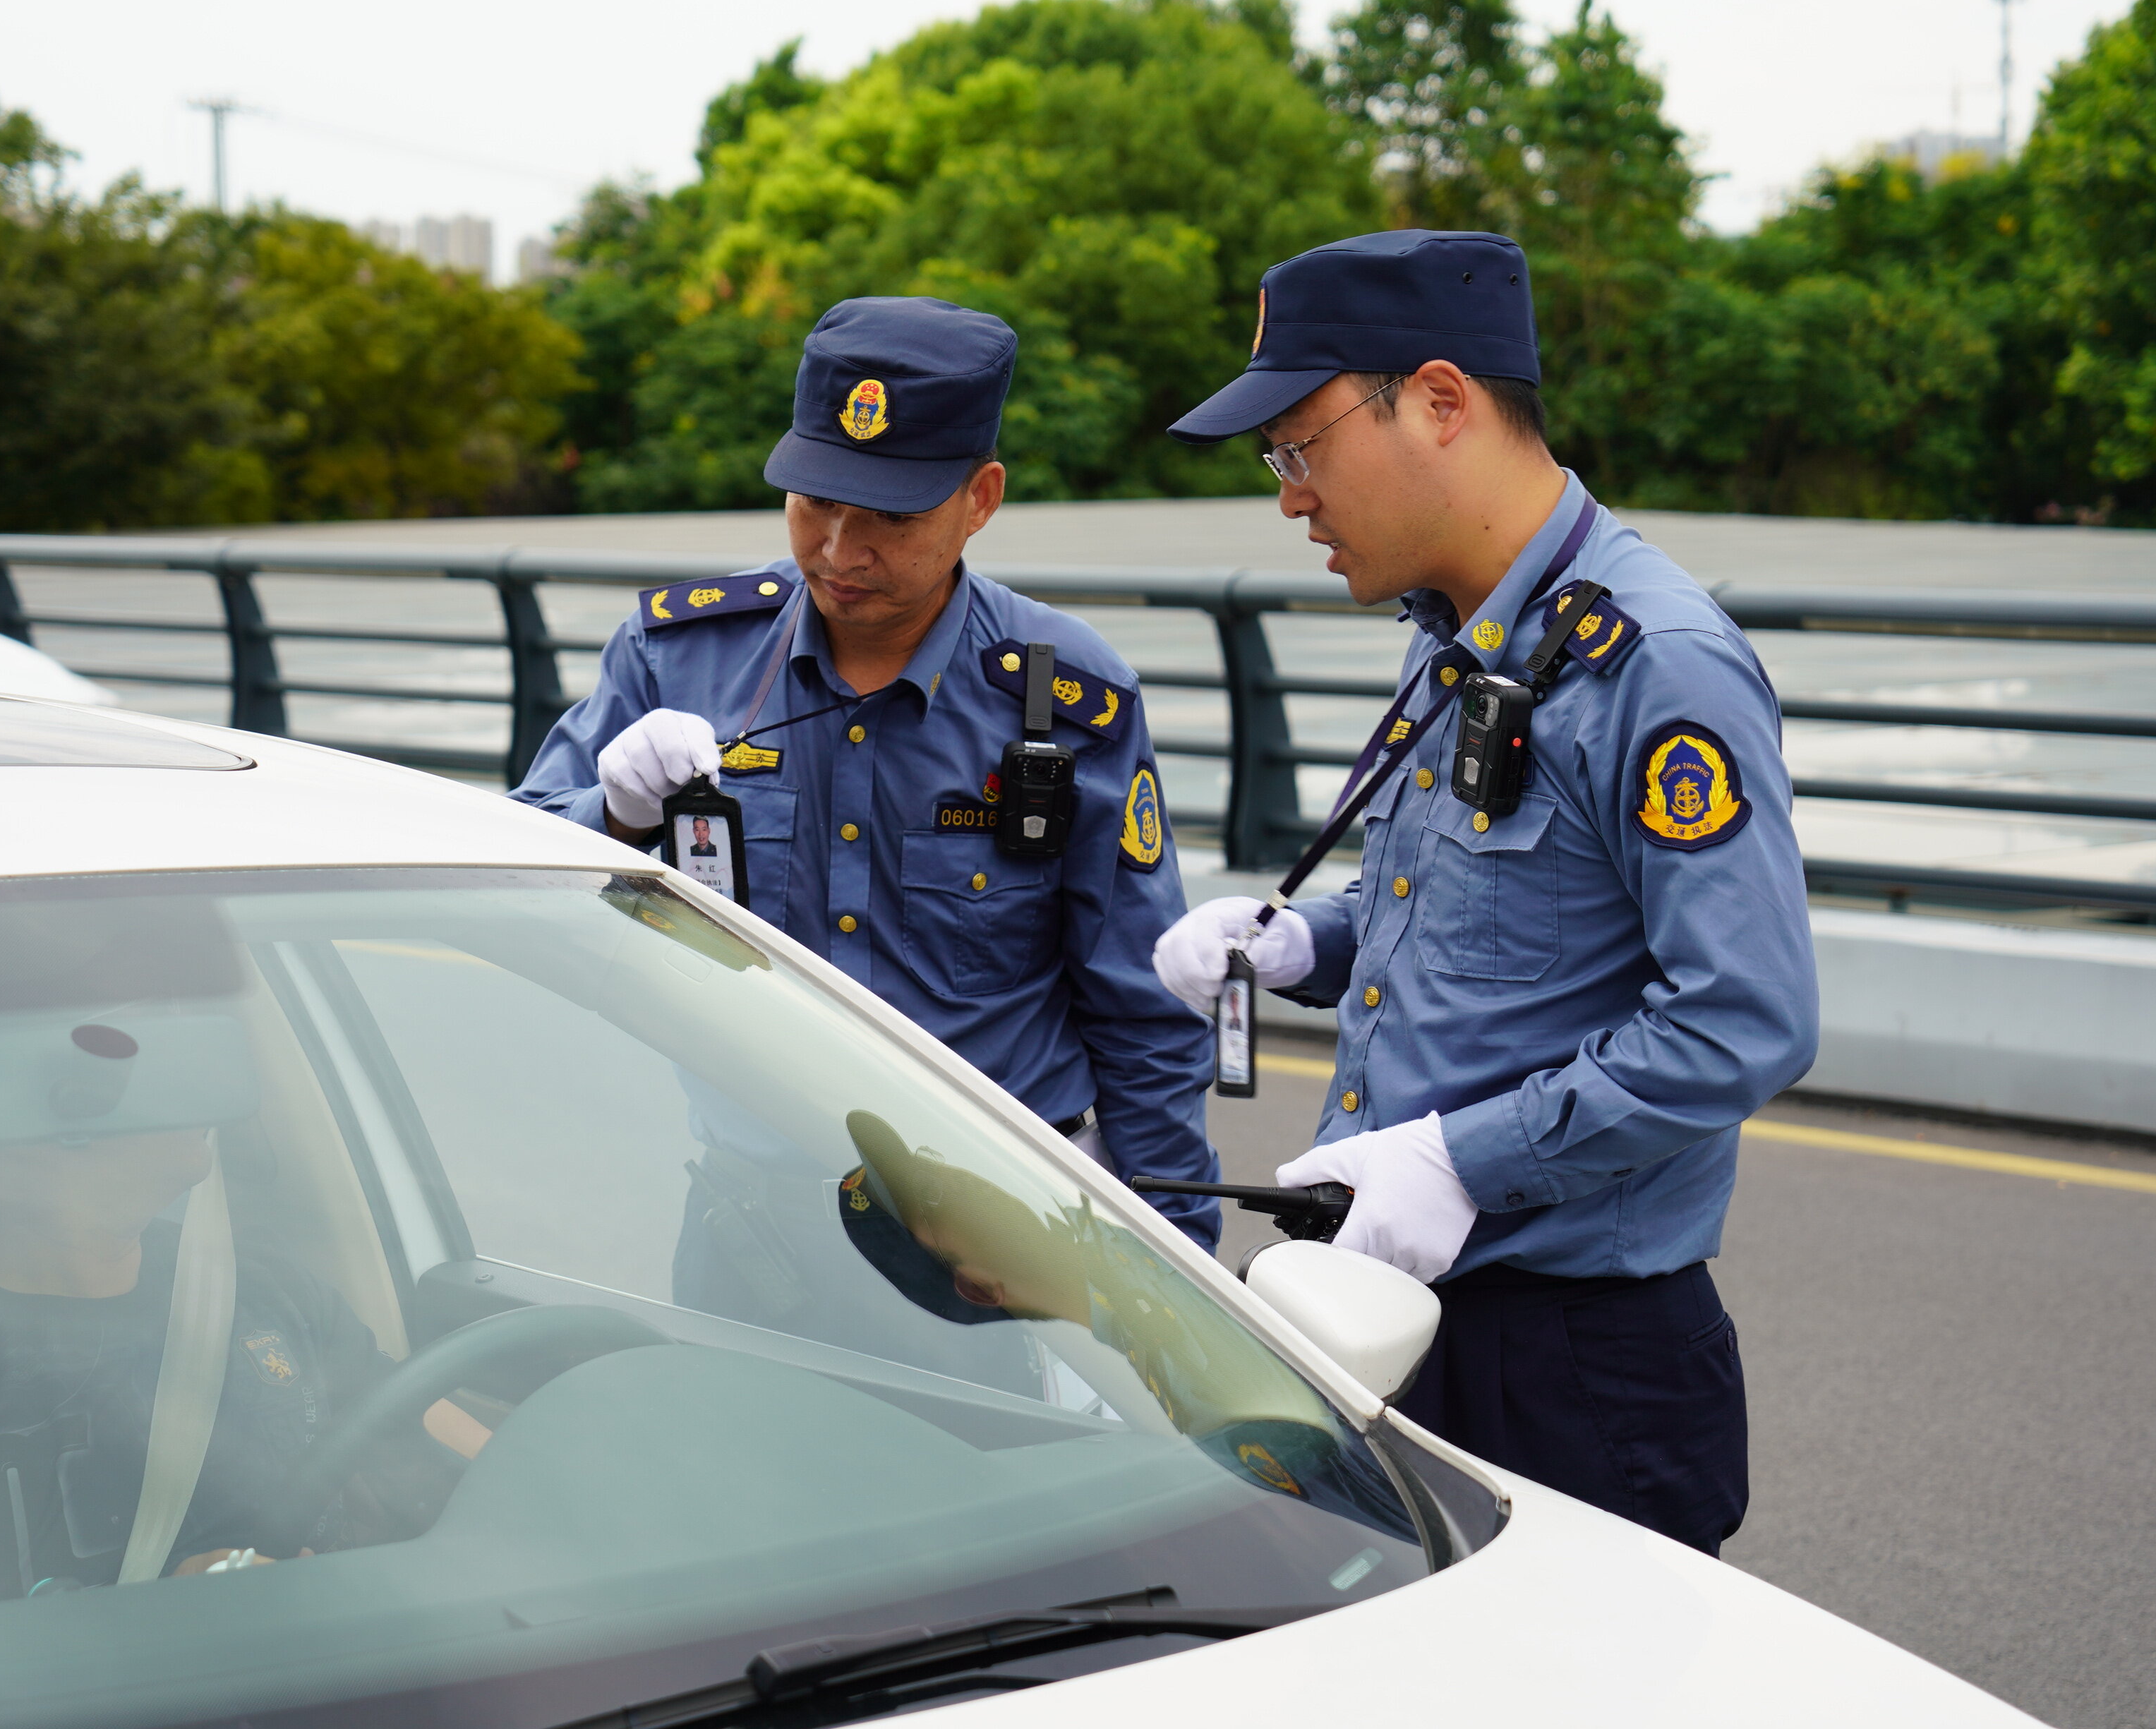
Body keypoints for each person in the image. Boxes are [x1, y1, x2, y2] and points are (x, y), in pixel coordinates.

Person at [1152, 230, 1818, 1555]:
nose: (1287, 496)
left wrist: (1461, 1157)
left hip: (1572, 1358)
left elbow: (1742, 1020)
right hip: (1400, 1317)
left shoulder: (1653, 663)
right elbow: (1482, 920)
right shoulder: (1464, 631)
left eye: (1298, 445)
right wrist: (1305, 944)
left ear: (1440, 402)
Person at [512, 296, 1222, 1249]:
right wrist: (617, 811)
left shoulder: (1067, 698)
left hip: (993, 1234)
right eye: (816, 503)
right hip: (751, 1214)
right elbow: (518, 872)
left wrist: (1173, 1265)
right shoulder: (677, 656)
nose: (841, 551)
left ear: (981, 498)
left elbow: (1144, 1006)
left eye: (889, 514)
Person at [0, 1120, 484, 1602]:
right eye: (124, 1059)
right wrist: (150, 1629)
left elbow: (484, 1459)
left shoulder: (267, 1289)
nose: (183, 1083)